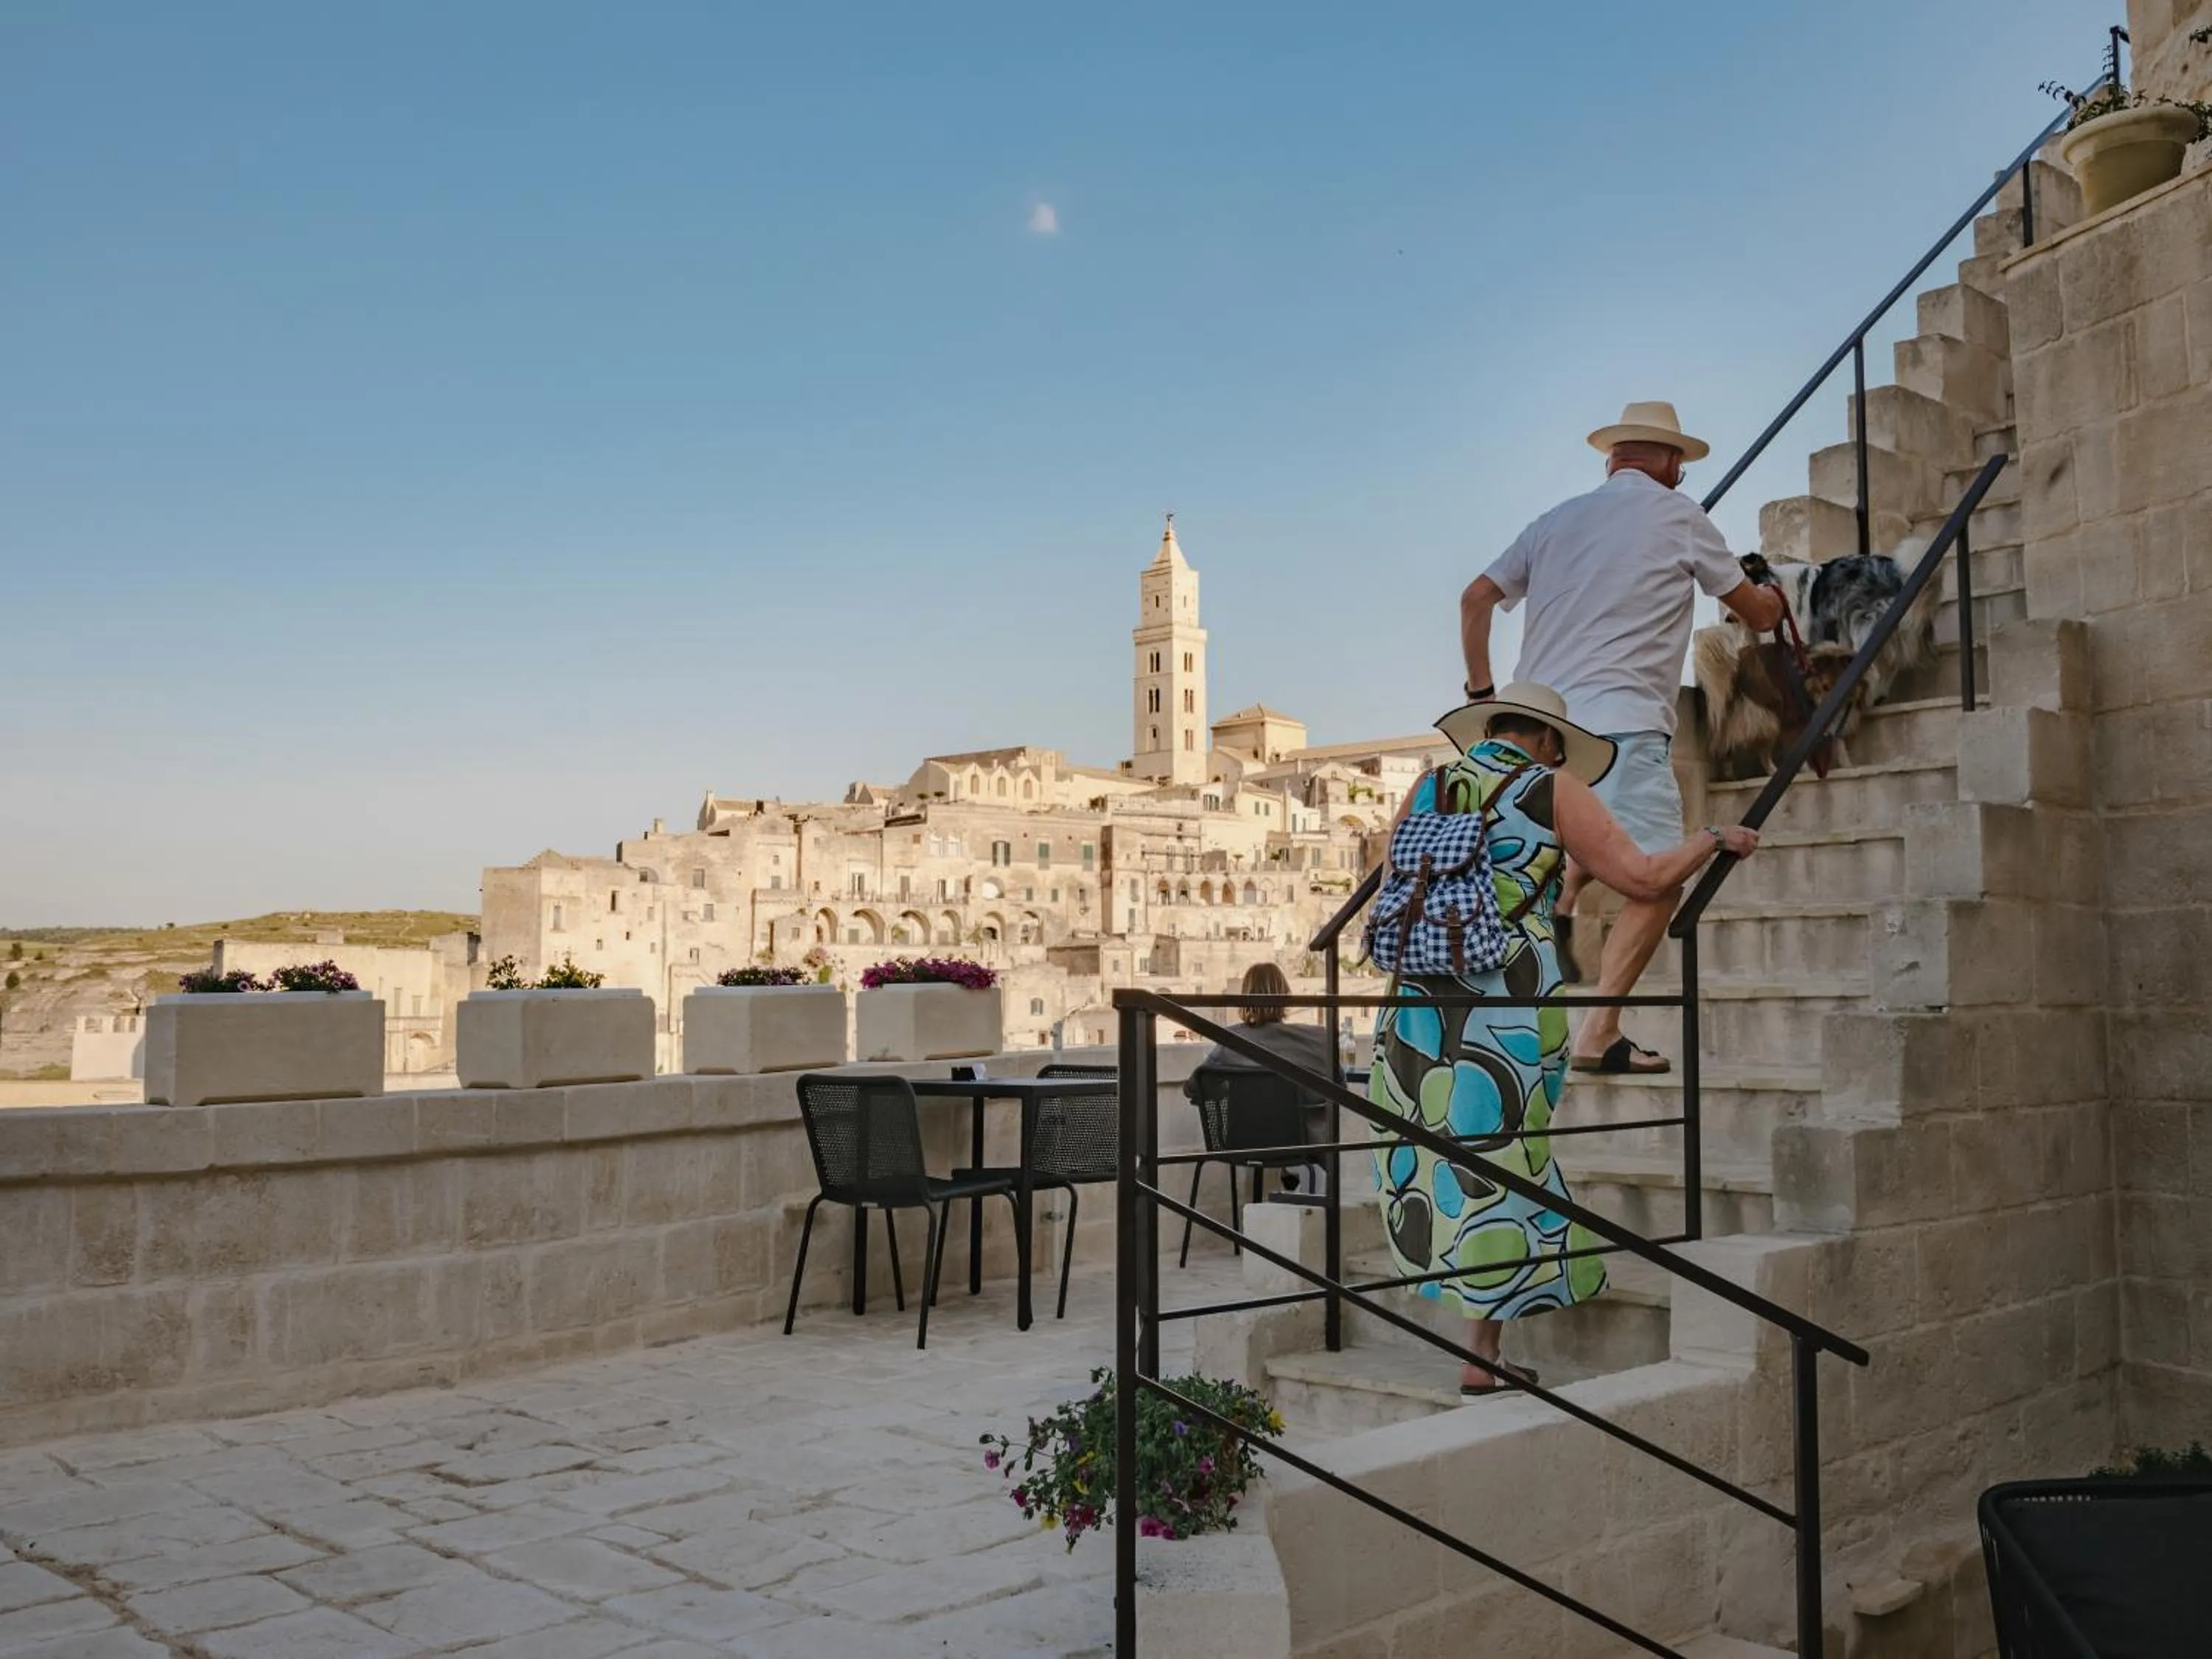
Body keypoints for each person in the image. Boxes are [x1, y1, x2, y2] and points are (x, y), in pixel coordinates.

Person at [1366, 683, 1759, 1394]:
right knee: (1508, 1156)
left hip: (1420, 999)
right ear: (1547, 740)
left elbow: (1396, 876)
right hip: (1505, 1000)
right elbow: (1642, 877)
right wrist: (1710, 839)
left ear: (1491, 729)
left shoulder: (1430, 784)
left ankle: (1478, 1344)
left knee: (1447, 1159)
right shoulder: (1552, 787)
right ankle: (1481, 1354)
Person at [1458, 400, 1783, 1075]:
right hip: (1622, 725)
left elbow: (1474, 599)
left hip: (1537, 733)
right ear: (1668, 464)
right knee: (1657, 879)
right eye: (1682, 468)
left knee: (1532, 873)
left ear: (1612, 460)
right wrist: (1772, 600)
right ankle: (1599, 1032)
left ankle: (1509, 1029)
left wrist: (1483, 694)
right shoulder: (1679, 516)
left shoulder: (1554, 522)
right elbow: (1752, 614)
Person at [1188, 961, 1337, 1147]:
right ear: (1286, 994)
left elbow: (1194, 1089)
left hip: (1241, 1144)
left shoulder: (1230, 1041)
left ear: (1245, 998)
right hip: (1300, 1144)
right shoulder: (1317, 1038)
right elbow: (1340, 1084)